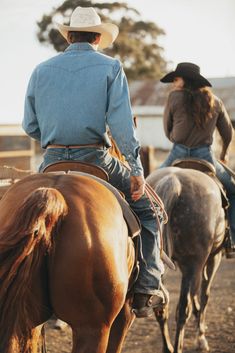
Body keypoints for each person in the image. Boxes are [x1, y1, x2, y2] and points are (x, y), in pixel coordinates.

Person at [22, 6, 168, 318]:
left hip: (51, 161)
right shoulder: (110, 68)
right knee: (150, 212)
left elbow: (29, 126)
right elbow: (123, 127)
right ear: (98, 38)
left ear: (69, 36)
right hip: (95, 158)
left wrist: (52, 134)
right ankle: (147, 285)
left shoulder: (41, 70)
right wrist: (137, 171)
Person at [159, 62, 235, 258]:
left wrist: (179, 138)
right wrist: (224, 153)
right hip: (205, 155)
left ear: (185, 80)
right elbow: (227, 134)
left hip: (177, 153)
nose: (174, 83)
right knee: (232, 189)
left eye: (176, 79)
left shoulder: (173, 98)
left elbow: (167, 130)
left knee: (148, 188)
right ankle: (231, 239)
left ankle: (145, 239)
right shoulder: (215, 101)